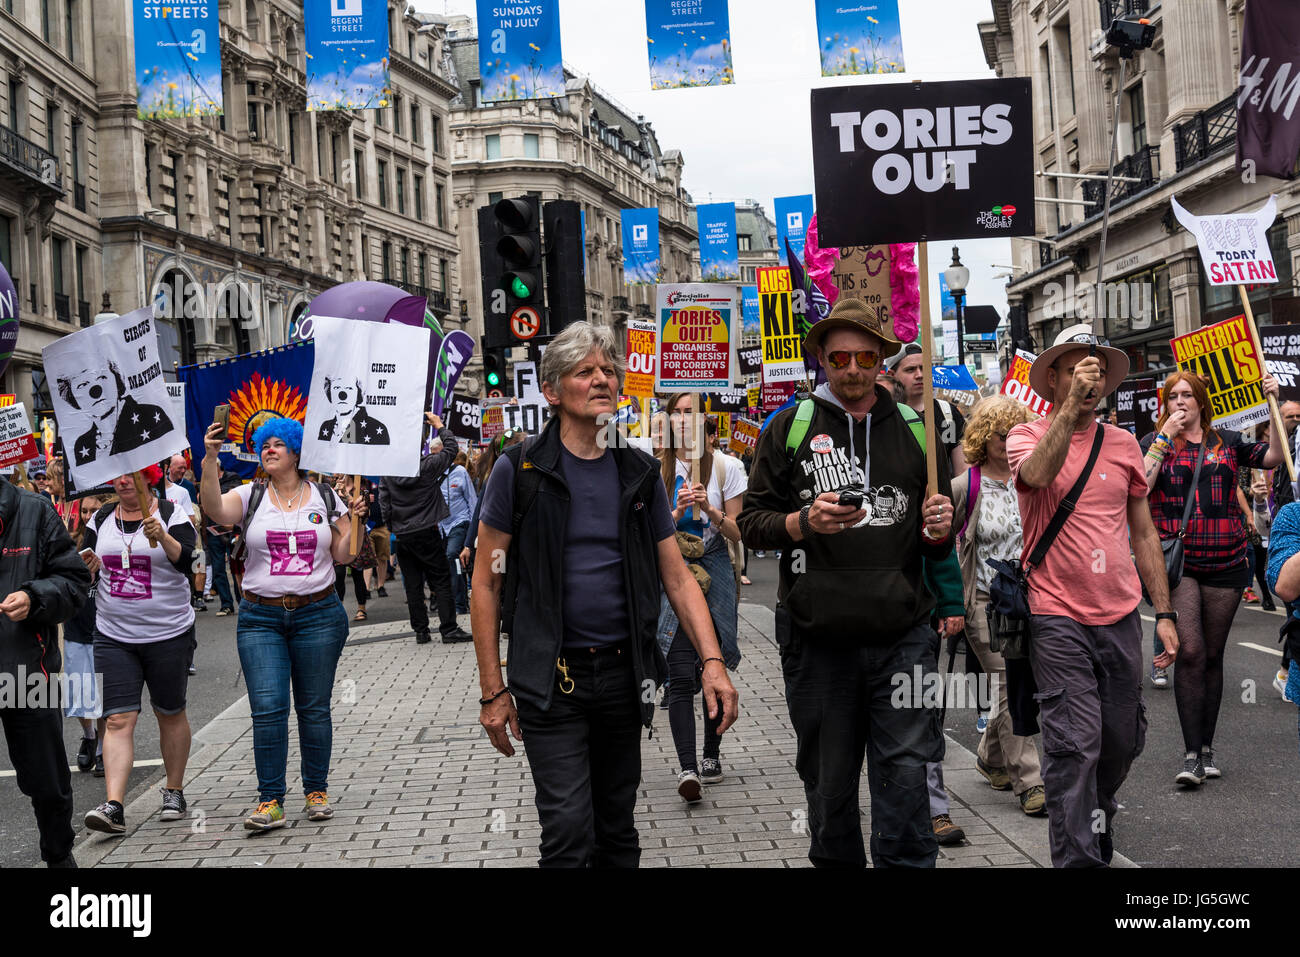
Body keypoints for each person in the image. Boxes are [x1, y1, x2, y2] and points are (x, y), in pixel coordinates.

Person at [471, 321, 739, 867]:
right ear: (552, 391)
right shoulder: (520, 470)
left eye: (607, 370)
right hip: (552, 678)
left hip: (624, 675)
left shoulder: (637, 472)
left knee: (617, 828)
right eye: (584, 371)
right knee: (568, 831)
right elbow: (486, 581)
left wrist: (712, 661)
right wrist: (493, 690)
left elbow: (677, 575)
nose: (602, 380)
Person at [738, 298, 957, 868]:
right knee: (829, 789)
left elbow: (932, 536)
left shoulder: (917, 428)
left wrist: (940, 527)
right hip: (818, 642)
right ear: (821, 359)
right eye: (840, 357)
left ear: (882, 357)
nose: (853, 368)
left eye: (865, 356)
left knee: (907, 783)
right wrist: (801, 521)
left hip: (904, 637)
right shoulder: (790, 426)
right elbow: (750, 521)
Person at [1007, 324, 1179, 867]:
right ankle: (1078, 857)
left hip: (1122, 613)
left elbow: (1144, 533)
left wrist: (1166, 612)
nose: (1090, 375)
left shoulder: (1126, 443)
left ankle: (1096, 814)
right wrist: (1067, 412)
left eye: (1097, 367)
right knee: (1073, 745)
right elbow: (1036, 476)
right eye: (1077, 367)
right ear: (1052, 378)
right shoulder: (1026, 436)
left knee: (1120, 740)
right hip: (1055, 613)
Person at [199, 417, 368, 831]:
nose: (269, 450)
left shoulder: (326, 497)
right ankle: (270, 801)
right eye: (264, 445)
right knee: (268, 707)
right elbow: (213, 508)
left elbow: (346, 555)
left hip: (318, 615)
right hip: (261, 617)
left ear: (296, 452)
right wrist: (209, 458)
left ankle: (316, 791)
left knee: (313, 707)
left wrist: (357, 520)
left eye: (278, 444)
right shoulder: (250, 495)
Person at [1139, 370, 1283, 786]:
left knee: (1214, 655)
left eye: (1187, 395)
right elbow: (1139, 486)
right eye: (1172, 396)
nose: (1180, 402)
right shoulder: (1154, 443)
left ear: (1202, 401)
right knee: (1191, 652)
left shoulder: (1229, 443)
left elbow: (1272, 458)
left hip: (1226, 562)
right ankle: (1189, 757)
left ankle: (1206, 747)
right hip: (1180, 564)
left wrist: (1272, 408)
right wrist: (1165, 436)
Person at [81, 466, 199, 834]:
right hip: (113, 634)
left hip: (168, 633)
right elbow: (81, 566)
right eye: (116, 476)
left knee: (169, 711)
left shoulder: (170, 512)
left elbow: (190, 562)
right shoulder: (101, 518)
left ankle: (174, 790)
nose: (122, 481)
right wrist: (85, 569)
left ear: (147, 477)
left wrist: (163, 537)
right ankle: (114, 805)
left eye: (131, 475)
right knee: (116, 719)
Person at [951, 395, 1046, 815]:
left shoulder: (1033, 478)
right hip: (985, 602)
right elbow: (940, 548)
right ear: (982, 438)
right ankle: (1030, 781)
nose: (1007, 442)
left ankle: (991, 757)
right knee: (1006, 683)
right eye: (999, 435)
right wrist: (951, 603)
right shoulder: (963, 487)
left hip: (1030, 599)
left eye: (1014, 434)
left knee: (1019, 683)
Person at [655, 392, 746, 802]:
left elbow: (739, 532)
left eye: (690, 412)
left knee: (716, 660)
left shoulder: (728, 466)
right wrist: (673, 515)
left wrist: (709, 509)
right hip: (673, 566)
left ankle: (711, 753)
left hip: (714, 564)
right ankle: (687, 766)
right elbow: (644, 533)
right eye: (676, 412)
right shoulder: (655, 469)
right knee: (678, 668)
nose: (682, 419)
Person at [0, 473, 91, 866]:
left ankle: (58, 856)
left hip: (25, 674)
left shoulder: (33, 510)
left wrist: (34, 596)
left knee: (49, 782)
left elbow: (74, 583)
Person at [381, 415, 473, 645]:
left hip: (403, 534)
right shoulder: (427, 466)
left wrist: (395, 526)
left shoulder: (388, 473)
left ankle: (421, 631)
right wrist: (439, 425)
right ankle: (449, 629)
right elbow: (451, 449)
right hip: (427, 530)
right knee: (441, 580)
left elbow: (384, 503)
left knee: (412, 585)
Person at [63, 494, 108, 777]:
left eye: (95, 510)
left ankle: (104, 747)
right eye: (85, 510)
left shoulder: (112, 538)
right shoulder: (69, 542)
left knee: (104, 694)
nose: (89, 515)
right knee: (79, 694)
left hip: (105, 627)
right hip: (76, 626)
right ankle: (89, 736)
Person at [886, 340, 967, 474]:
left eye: (923, 368)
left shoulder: (948, 414)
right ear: (892, 375)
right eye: (910, 369)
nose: (919, 375)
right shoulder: (884, 415)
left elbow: (963, 473)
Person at [440, 451, 477, 616]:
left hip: (460, 523)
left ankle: (459, 606)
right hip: (441, 527)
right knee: (457, 565)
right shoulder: (431, 474)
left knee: (452, 555)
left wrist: (475, 530)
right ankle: (459, 601)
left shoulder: (460, 472)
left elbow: (471, 500)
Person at [203, 458, 242, 616]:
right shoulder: (205, 483)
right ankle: (226, 605)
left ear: (216, 465)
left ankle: (242, 602)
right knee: (218, 569)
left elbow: (234, 499)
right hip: (214, 532)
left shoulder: (232, 478)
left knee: (236, 568)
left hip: (233, 530)